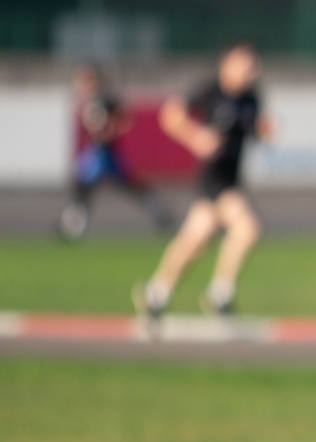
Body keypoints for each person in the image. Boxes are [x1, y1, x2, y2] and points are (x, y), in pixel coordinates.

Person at [133, 42, 269, 319]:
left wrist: (265, 130)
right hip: (213, 180)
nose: (249, 71)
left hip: (230, 178)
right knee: (246, 228)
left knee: (193, 242)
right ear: (227, 63)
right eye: (243, 63)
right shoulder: (210, 90)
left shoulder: (252, 98)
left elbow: (255, 130)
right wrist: (196, 137)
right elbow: (170, 115)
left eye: (252, 65)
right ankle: (219, 294)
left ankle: (156, 294)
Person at [58, 62, 170, 241]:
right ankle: (73, 225)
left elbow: (125, 119)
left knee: (124, 186)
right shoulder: (88, 101)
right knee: (83, 189)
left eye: (83, 80)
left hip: (106, 154)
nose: (79, 85)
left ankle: (160, 214)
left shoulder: (105, 99)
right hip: (96, 152)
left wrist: (112, 129)